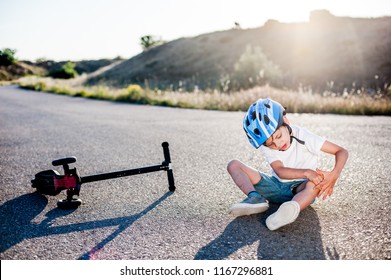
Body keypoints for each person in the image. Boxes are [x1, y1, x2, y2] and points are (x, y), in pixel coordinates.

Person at [227, 98, 348, 230]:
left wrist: (334, 174)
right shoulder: (266, 144)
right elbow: (280, 171)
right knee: (233, 165)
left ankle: (290, 209)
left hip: (300, 189)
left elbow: (341, 151)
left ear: (285, 121)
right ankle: (255, 198)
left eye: (278, 136)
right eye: (271, 144)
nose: (277, 145)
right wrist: (306, 172)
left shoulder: (303, 135)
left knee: (315, 183)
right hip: (276, 186)